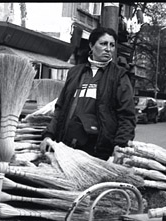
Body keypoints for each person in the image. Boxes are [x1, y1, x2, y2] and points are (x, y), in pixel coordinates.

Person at [41, 27, 136, 160]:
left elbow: (127, 116)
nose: (108, 49)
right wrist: (48, 135)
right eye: (103, 44)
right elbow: (60, 108)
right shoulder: (75, 73)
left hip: (99, 151)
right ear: (91, 45)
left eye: (112, 45)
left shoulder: (119, 76)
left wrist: (120, 145)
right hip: (66, 147)